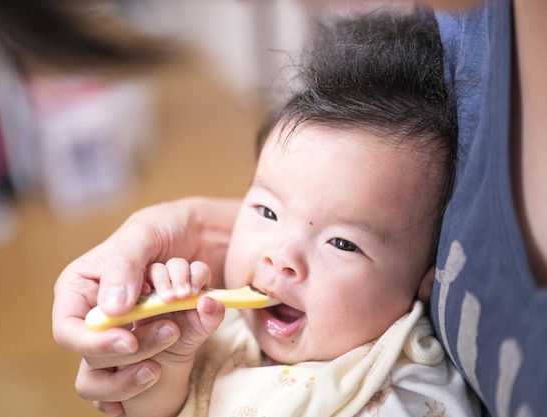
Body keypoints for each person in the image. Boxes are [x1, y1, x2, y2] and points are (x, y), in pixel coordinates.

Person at [46, 0, 545, 416]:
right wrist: (167, 366)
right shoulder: (221, 325)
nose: (279, 256)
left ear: (424, 284)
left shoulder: (397, 388)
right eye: (265, 211)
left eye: (342, 243)